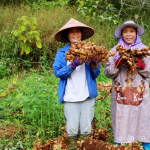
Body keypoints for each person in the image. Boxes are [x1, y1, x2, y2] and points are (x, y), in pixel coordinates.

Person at [104, 20, 150, 150]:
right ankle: (121, 146)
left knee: (142, 118)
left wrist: (141, 65)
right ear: (121, 34)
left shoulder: (144, 51)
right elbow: (108, 73)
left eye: (131, 31)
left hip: (140, 91)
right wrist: (117, 64)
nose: (128, 34)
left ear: (136, 33)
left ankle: (147, 146)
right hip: (121, 91)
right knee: (122, 118)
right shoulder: (114, 51)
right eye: (125, 31)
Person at [53, 18, 100, 150]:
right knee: (72, 130)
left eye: (78, 31)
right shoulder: (62, 53)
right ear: (67, 35)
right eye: (72, 31)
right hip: (70, 96)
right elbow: (58, 72)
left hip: (87, 95)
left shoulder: (90, 50)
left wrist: (95, 65)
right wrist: (72, 65)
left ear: (81, 34)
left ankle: (85, 147)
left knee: (86, 129)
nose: (75, 34)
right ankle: (73, 147)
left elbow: (96, 74)